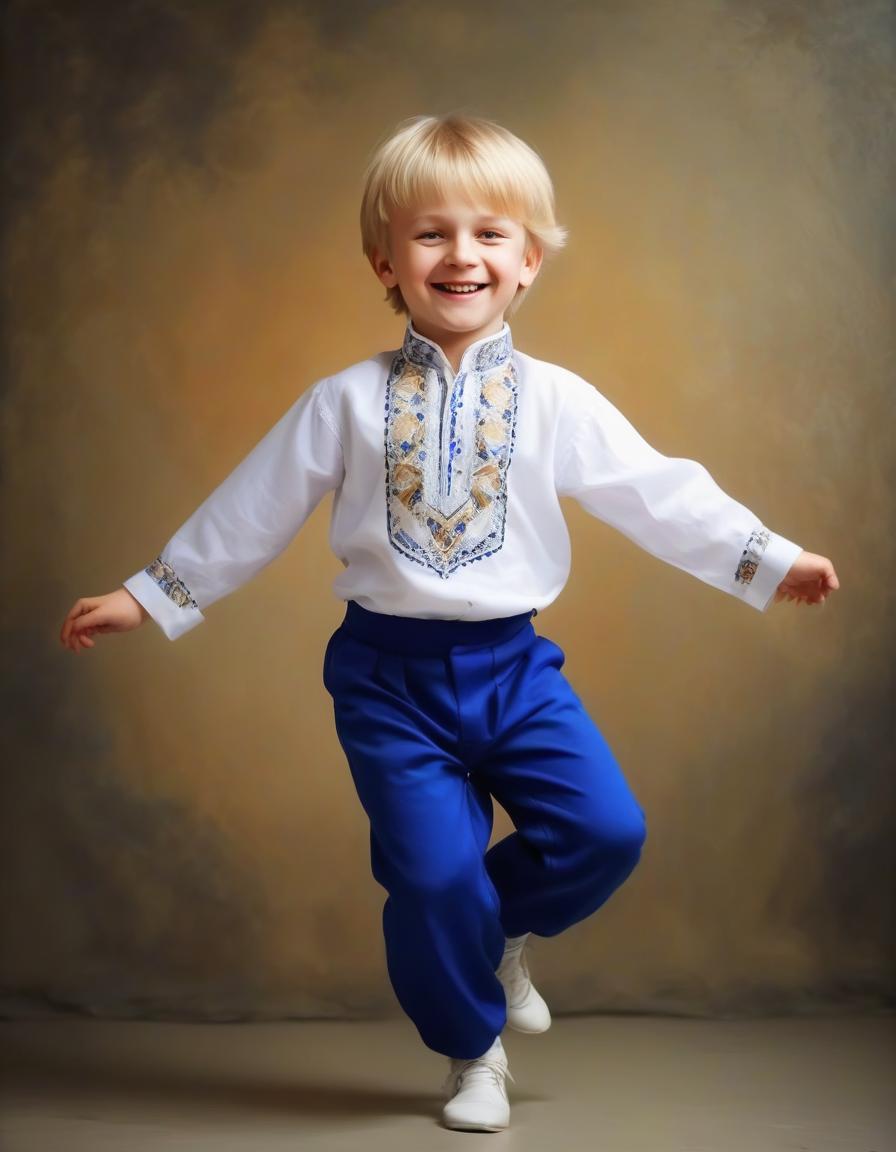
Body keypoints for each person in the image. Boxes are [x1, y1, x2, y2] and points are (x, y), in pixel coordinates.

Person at [60, 112, 840, 1133]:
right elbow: (252, 508)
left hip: (514, 669)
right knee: (430, 878)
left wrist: (764, 555)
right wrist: (149, 595)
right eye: (429, 234)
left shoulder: (556, 401)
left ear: (529, 260)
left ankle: (498, 934)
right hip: (386, 680)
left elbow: (656, 492)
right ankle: (473, 1053)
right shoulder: (343, 401)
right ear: (383, 259)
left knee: (604, 832)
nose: (459, 254)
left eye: (487, 234)